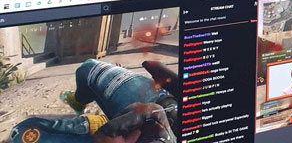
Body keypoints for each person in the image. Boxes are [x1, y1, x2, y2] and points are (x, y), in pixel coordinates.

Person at [10, 59, 178, 143]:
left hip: (160, 112)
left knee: (22, 130)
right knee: (87, 68)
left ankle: (80, 103)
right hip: (166, 109)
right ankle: (79, 103)